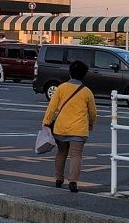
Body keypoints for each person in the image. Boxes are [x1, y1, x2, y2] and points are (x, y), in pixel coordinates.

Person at [42, 60, 97, 193]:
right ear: (84, 74)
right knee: (76, 155)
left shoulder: (61, 88)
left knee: (61, 153)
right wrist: (91, 123)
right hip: (79, 129)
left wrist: (46, 122)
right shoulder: (87, 92)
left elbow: (52, 107)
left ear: (70, 72)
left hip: (61, 127)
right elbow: (93, 112)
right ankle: (73, 181)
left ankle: (58, 179)